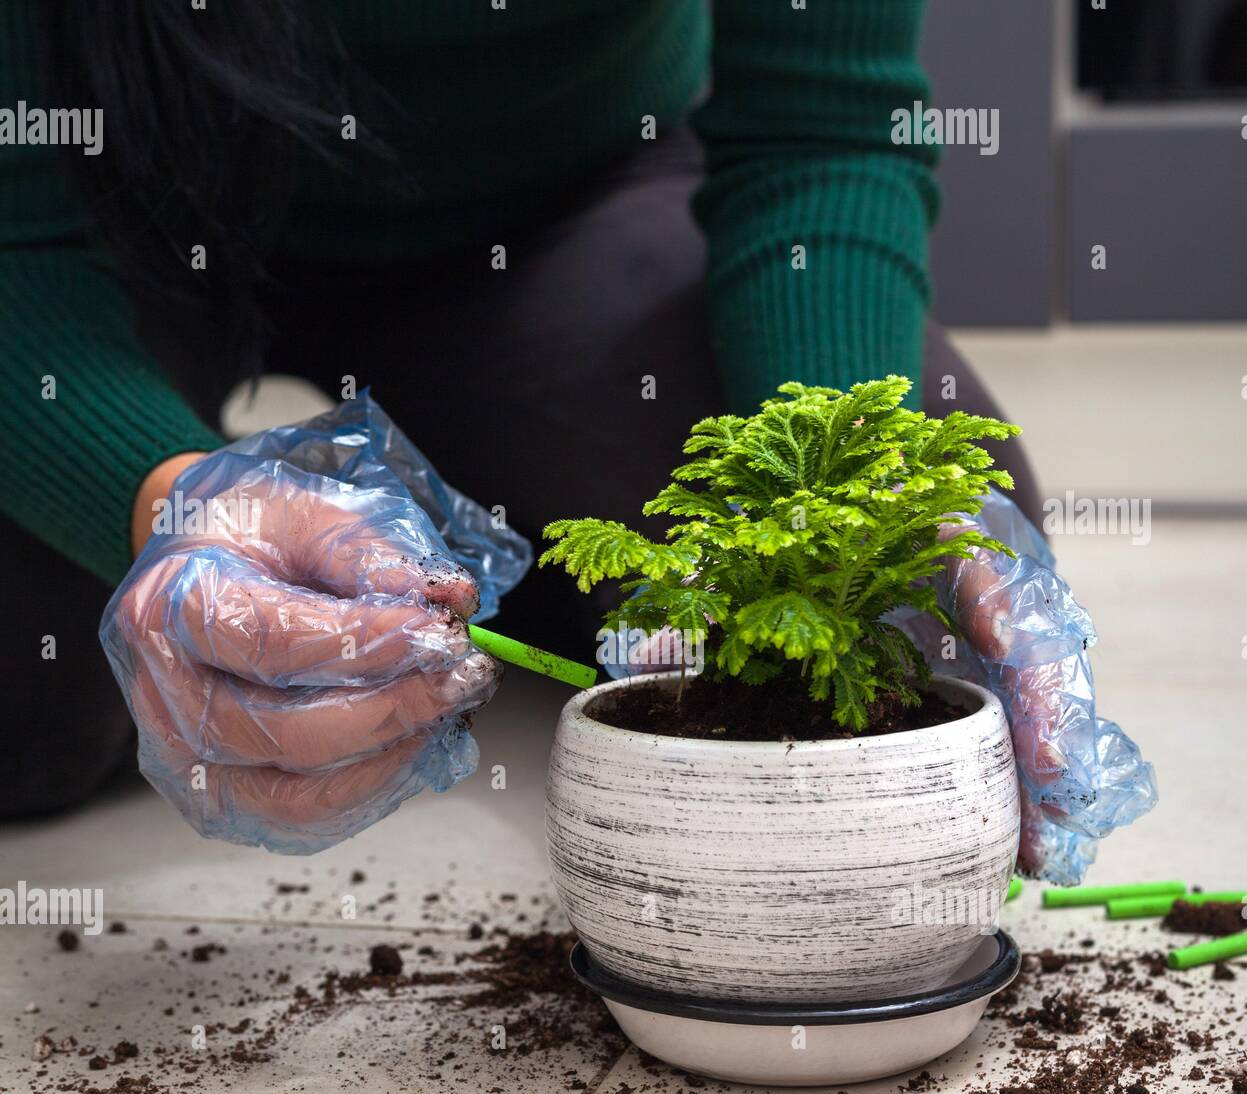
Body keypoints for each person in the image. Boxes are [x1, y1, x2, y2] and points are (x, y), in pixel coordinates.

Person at [2, 1, 1109, 877]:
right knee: (28, 686)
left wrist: (859, 488)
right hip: (104, 219)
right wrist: (163, 498)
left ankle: (486, 546)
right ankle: (420, 545)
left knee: (913, 611)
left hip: (558, 206)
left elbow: (819, 125)